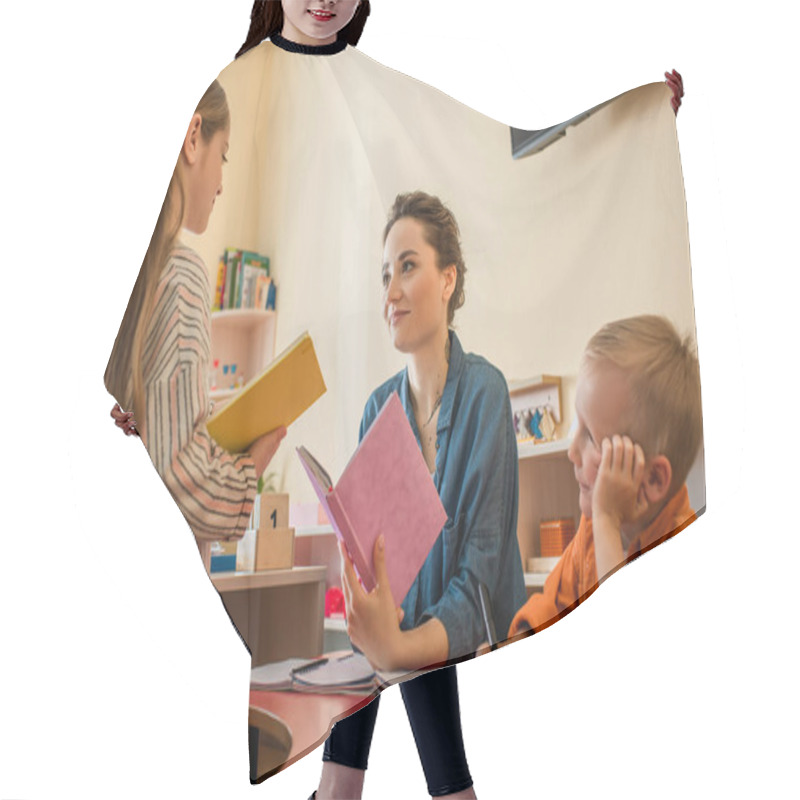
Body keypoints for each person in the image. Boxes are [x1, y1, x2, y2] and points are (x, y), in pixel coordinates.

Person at [310, 191, 526, 800]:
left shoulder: (486, 391)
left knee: (395, 658)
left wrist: (398, 645)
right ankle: (338, 789)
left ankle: (339, 793)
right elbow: (378, 570)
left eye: (408, 266)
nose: (392, 292)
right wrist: (377, 624)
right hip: (410, 640)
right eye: (385, 275)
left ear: (448, 278)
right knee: (363, 654)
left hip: (470, 633)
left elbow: (480, 582)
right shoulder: (379, 410)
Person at [105, 80, 286, 568]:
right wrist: (253, 466)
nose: (223, 181)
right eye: (223, 154)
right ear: (192, 138)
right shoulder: (181, 277)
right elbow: (186, 484)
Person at [508, 315, 702, 636]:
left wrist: (607, 520)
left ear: (653, 480)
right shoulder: (592, 529)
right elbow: (550, 605)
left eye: (591, 438)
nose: (571, 451)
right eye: (576, 427)